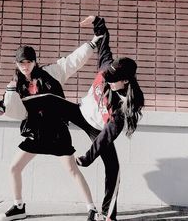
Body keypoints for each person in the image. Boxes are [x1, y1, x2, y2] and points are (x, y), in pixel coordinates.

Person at [11, 16, 145, 221]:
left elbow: (104, 138)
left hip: (97, 129)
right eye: (106, 78)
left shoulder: (121, 111)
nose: (107, 82)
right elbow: (103, 40)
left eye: (113, 81)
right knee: (48, 98)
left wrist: (87, 158)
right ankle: (7, 105)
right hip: (79, 111)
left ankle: (108, 215)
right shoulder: (106, 66)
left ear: (125, 81)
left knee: (114, 169)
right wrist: (97, 21)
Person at [0, 34, 103, 221]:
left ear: (35, 62)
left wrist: (92, 43)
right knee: (14, 168)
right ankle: (19, 207)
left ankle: (92, 210)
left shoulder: (52, 72)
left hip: (57, 132)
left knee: (72, 170)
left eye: (28, 62)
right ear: (16, 64)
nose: (24, 67)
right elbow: (12, 110)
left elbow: (73, 61)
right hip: (36, 133)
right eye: (21, 63)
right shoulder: (15, 85)